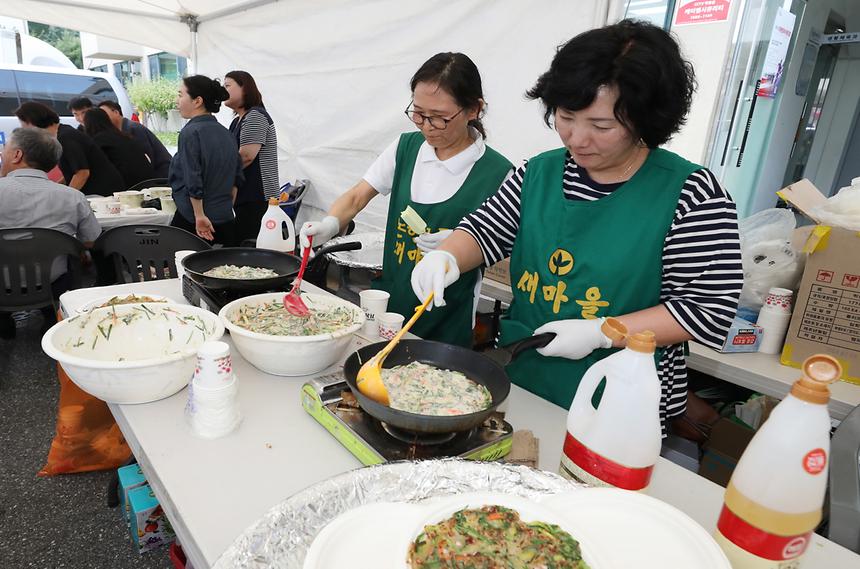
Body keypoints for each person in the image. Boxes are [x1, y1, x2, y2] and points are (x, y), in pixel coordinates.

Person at [411, 20, 743, 433]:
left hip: (619, 399)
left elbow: (707, 312)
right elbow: (485, 230)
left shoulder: (692, 194)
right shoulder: (539, 173)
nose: (577, 138)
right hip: (525, 378)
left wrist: (603, 331)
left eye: (601, 126)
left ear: (646, 120)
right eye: (566, 117)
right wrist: (447, 257)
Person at [300, 53, 513, 347]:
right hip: (390, 304)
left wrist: (460, 244)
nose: (426, 126)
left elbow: (501, 244)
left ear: (474, 109)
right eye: (418, 113)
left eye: (439, 117)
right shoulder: (406, 148)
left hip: (447, 316)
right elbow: (358, 195)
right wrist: (330, 222)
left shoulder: (498, 173)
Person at [0, 127, 101, 338]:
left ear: (17, 155)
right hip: (52, 283)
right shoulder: (72, 197)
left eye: (5, 149)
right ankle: (51, 314)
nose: (2, 153)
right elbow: (92, 240)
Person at [169, 75, 243, 246]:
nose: (177, 100)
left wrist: (200, 215)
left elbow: (193, 178)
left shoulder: (190, 133)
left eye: (181, 95)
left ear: (197, 101)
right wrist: (224, 208)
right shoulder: (226, 134)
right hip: (224, 217)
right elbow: (236, 179)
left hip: (195, 220)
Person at [14, 101, 125, 196]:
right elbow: (72, 172)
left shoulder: (66, 137)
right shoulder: (62, 133)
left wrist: (65, 196)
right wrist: (56, 187)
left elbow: (82, 173)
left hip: (103, 193)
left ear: (32, 121)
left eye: (23, 124)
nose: (23, 128)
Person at [224, 70, 280, 243]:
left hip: (257, 195)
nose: (223, 90)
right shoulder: (237, 121)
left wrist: (219, 175)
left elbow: (246, 156)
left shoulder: (255, 116)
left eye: (227, 86)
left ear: (245, 89)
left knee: (249, 243)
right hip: (246, 194)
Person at [83, 107, 155, 189]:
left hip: (127, 185)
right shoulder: (123, 136)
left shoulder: (98, 141)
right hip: (147, 181)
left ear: (87, 123)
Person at [98, 100, 172, 179]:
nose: (102, 118)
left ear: (116, 112)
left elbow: (147, 158)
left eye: (104, 114)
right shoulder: (120, 131)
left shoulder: (133, 129)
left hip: (161, 176)